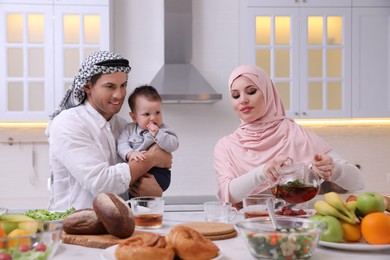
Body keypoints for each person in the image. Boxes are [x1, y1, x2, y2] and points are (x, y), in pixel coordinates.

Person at [213, 64, 365, 206]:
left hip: (295, 226)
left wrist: (334, 169)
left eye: (251, 91)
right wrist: (262, 172)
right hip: (247, 226)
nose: (243, 100)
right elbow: (228, 194)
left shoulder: (296, 134)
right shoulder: (226, 146)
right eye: (235, 95)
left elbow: (358, 182)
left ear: (268, 93)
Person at [46, 51, 172, 210]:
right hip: (75, 227)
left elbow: (136, 181)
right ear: (87, 87)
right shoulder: (68, 123)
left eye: (123, 86)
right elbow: (101, 183)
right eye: (110, 86)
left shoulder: (124, 126)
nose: (119, 94)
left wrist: (153, 193)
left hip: (120, 227)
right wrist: (152, 158)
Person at [117, 85, 179, 197]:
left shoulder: (164, 129)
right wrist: (130, 153)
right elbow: (121, 144)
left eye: (157, 112)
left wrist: (158, 134)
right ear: (134, 117)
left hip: (158, 173)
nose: (153, 118)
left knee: (150, 201)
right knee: (133, 197)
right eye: (147, 114)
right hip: (135, 173)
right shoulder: (129, 129)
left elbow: (173, 145)